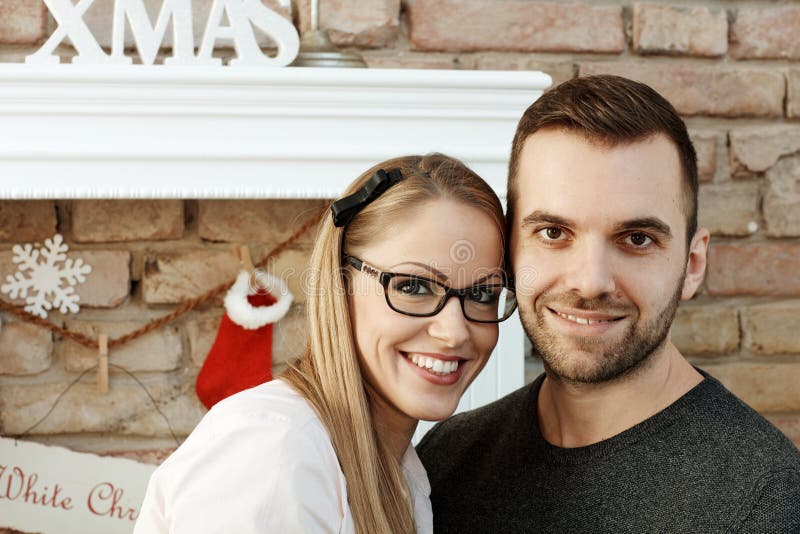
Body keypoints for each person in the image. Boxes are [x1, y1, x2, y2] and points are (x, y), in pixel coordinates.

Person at [417, 75, 800, 532]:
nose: (591, 282)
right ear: (508, 250)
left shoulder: (767, 502)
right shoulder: (447, 458)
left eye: (637, 239)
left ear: (693, 264)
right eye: (553, 233)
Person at [133, 154, 517, 533]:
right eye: (412, 286)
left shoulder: (400, 473)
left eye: (483, 295)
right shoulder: (275, 450)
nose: (455, 332)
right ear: (340, 284)